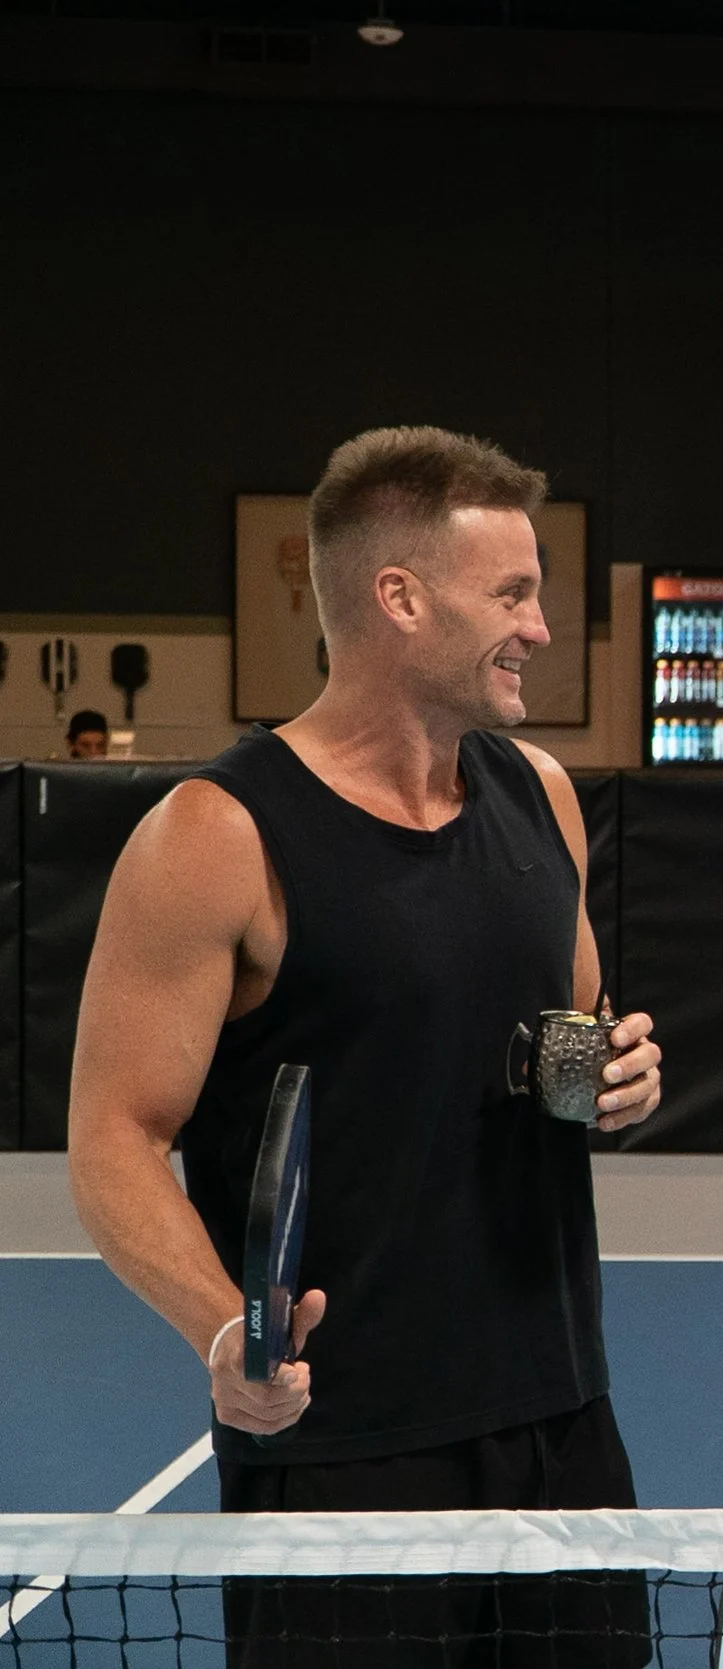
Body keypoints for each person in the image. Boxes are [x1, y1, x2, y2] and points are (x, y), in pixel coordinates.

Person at [66, 425, 665, 1667]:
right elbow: (115, 1139)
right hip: (342, 1460)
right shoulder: (213, 836)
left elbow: (573, 1038)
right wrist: (229, 1335)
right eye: (512, 592)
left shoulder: (544, 798)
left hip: (562, 1430)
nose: (543, 627)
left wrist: (613, 1080)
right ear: (399, 598)